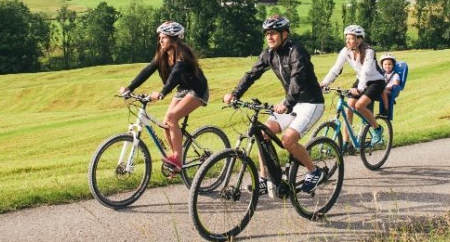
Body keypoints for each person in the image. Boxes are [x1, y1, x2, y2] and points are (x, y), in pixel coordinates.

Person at [224, 15, 326, 195]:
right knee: (264, 133)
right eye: (267, 34)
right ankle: (264, 179)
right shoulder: (268, 54)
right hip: (292, 103)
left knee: (288, 140)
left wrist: (287, 102)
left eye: (273, 33)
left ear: (285, 33)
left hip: (311, 103)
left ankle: (314, 171)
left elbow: (298, 78)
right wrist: (235, 94)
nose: (269, 37)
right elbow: (252, 74)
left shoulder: (296, 51)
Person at [120, 21, 208, 170]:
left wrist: (162, 93)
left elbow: (175, 75)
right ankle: (174, 158)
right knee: (166, 122)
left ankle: (177, 160)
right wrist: (130, 88)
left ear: (174, 39)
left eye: (164, 37)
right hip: (183, 90)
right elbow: (147, 70)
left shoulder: (183, 55)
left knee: (172, 117)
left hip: (197, 90)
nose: (160, 40)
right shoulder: (163, 54)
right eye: (160, 37)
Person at [319, 25, 385, 145]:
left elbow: (365, 71)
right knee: (349, 107)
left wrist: (359, 89)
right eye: (346, 38)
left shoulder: (369, 52)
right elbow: (336, 69)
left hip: (376, 82)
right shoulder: (346, 51)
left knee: (359, 106)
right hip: (360, 80)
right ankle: (346, 142)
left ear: (359, 40)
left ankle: (377, 129)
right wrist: (324, 83)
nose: (347, 41)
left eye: (350, 38)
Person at [378, 52, 401, 117]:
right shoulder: (382, 74)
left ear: (393, 65)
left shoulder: (395, 75)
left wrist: (387, 88)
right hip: (382, 90)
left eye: (389, 64)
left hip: (392, 91)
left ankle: (386, 111)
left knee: (383, 92)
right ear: (382, 65)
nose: (387, 66)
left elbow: (396, 84)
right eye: (385, 64)